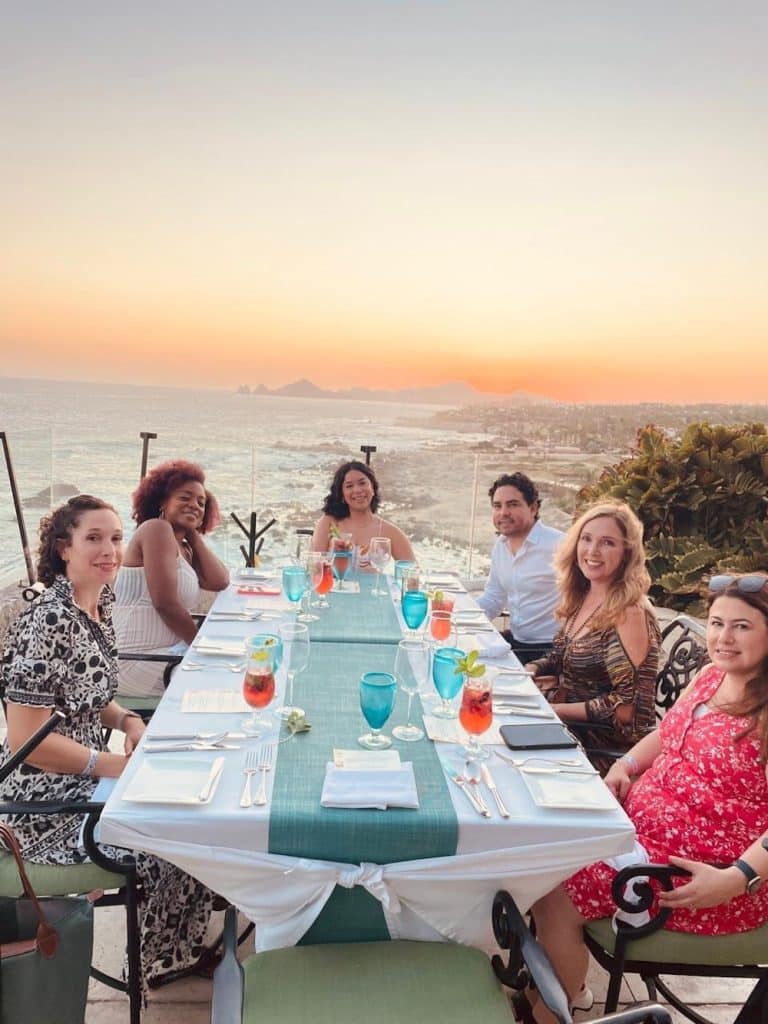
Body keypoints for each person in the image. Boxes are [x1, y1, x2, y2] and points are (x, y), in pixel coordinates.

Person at [0, 495, 216, 996]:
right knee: (172, 841)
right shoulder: (49, 620)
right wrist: (110, 765)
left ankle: (174, 950)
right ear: (63, 548)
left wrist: (128, 720)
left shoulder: (98, 601)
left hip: (85, 783)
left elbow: (88, 694)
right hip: (44, 807)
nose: (109, 550)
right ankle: (153, 961)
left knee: (193, 813)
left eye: (116, 538)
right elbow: (25, 740)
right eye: (93, 538)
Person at [529, 573, 768, 1023]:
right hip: (639, 834)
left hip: (701, 877)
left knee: (554, 885)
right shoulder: (712, 677)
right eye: (716, 623)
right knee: (539, 847)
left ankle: (551, 1010)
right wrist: (625, 767)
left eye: (742, 626)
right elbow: (667, 732)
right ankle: (568, 988)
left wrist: (735, 879)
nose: (723, 637)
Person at [526, 500, 660, 767]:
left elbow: (627, 709)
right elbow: (560, 654)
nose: (592, 551)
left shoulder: (629, 612)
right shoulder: (585, 593)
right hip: (567, 728)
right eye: (586, 539)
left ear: (627, 553)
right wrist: (531, 668)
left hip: (599, 748)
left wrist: (551, 712)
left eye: (607, 542)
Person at [113, 459, 229, 697]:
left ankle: (140, 734)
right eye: (184, 498)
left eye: (201, 503)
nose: (195, 506)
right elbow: (165, 604)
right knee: (225, 679)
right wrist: (202, 647)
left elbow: (220, 581)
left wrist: (194, 534)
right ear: (162, 501)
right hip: (134, 661)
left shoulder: (183, 547)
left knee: (235, 665)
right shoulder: (156, 529)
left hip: (166, 654)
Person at [476, 473, 563, 662]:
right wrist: (459, 616)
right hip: (516, 643)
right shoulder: (501, 545)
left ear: (533, 508)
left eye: (513, 504)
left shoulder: (560, 546)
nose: (503, 512)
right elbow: (494, 597)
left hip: (550, 651)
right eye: (497, 506)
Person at [311, 460, 415, 568]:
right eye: (349, 486)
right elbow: (313, 569)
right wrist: (331, 553)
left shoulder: (389, 531)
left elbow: (413, 574)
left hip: (375, 585)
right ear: (342, 494)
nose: (357, 490)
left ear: (373, 488)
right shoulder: (329, 523)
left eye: (362, 483)